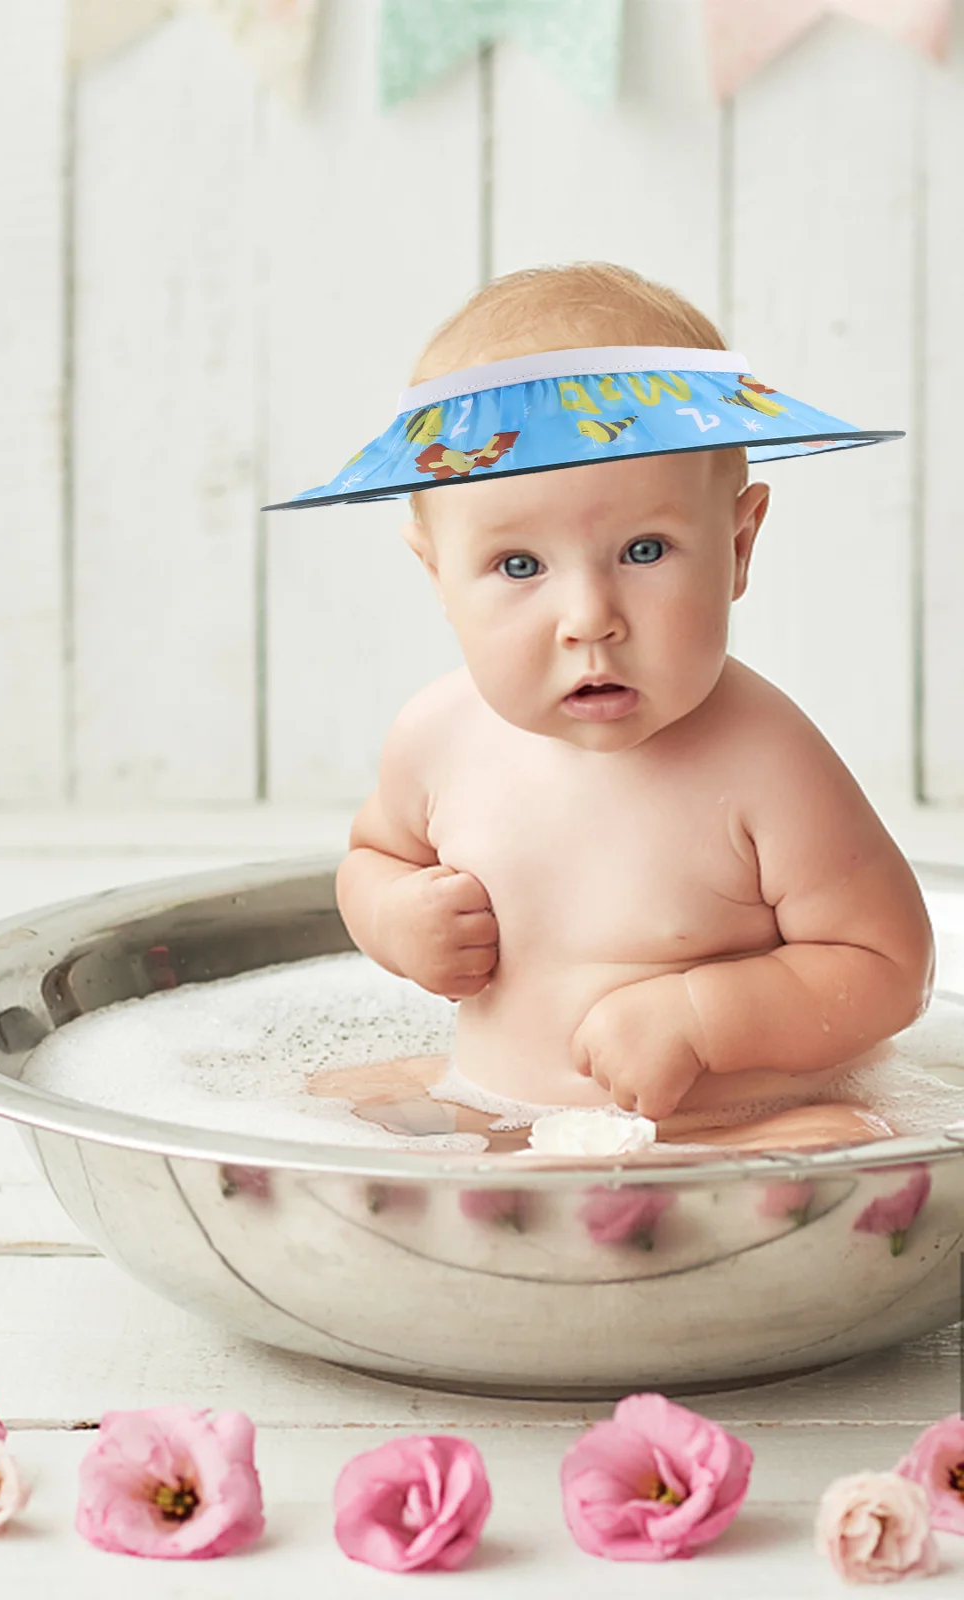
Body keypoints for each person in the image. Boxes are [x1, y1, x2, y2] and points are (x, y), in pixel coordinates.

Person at [295, 263, 933, 1152]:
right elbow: (376, 855)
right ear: (437, 575)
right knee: (317, 1103)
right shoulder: (437, 737)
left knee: (830, 1145)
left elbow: (888, 969)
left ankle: (755, 1147)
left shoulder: (766, 761)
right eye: (519, 565)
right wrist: (396, 917)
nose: (589, 617)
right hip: (509, 1111)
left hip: (718, 1125)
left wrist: (703, 1015)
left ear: (738, 546)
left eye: (644, 548)